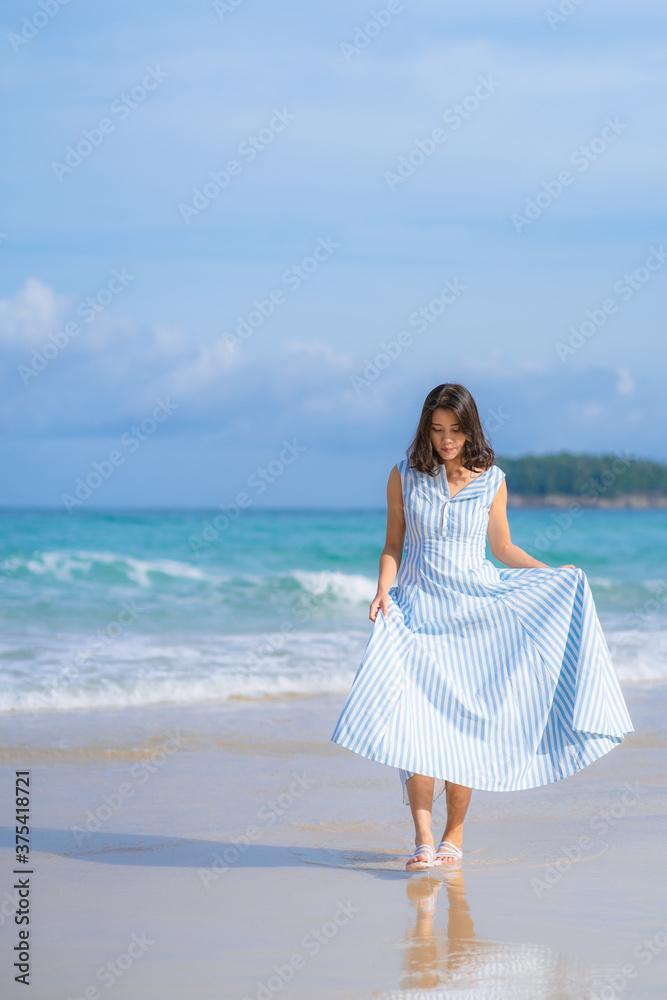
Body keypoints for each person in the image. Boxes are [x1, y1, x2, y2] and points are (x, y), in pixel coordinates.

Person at [331, 382, 634, 872]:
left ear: (470, 429)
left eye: (455, 430)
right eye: (437, 430)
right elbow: (393, 545)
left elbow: (503, 549)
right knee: (415, 727)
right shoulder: (403, 476)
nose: (446, 440)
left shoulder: (492, 479)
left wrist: (554, 575)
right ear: (425, 430)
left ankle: (454, 834)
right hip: (416, 613)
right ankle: (423, 838)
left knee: (462, 730)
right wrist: (383, 589)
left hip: (474, 616)